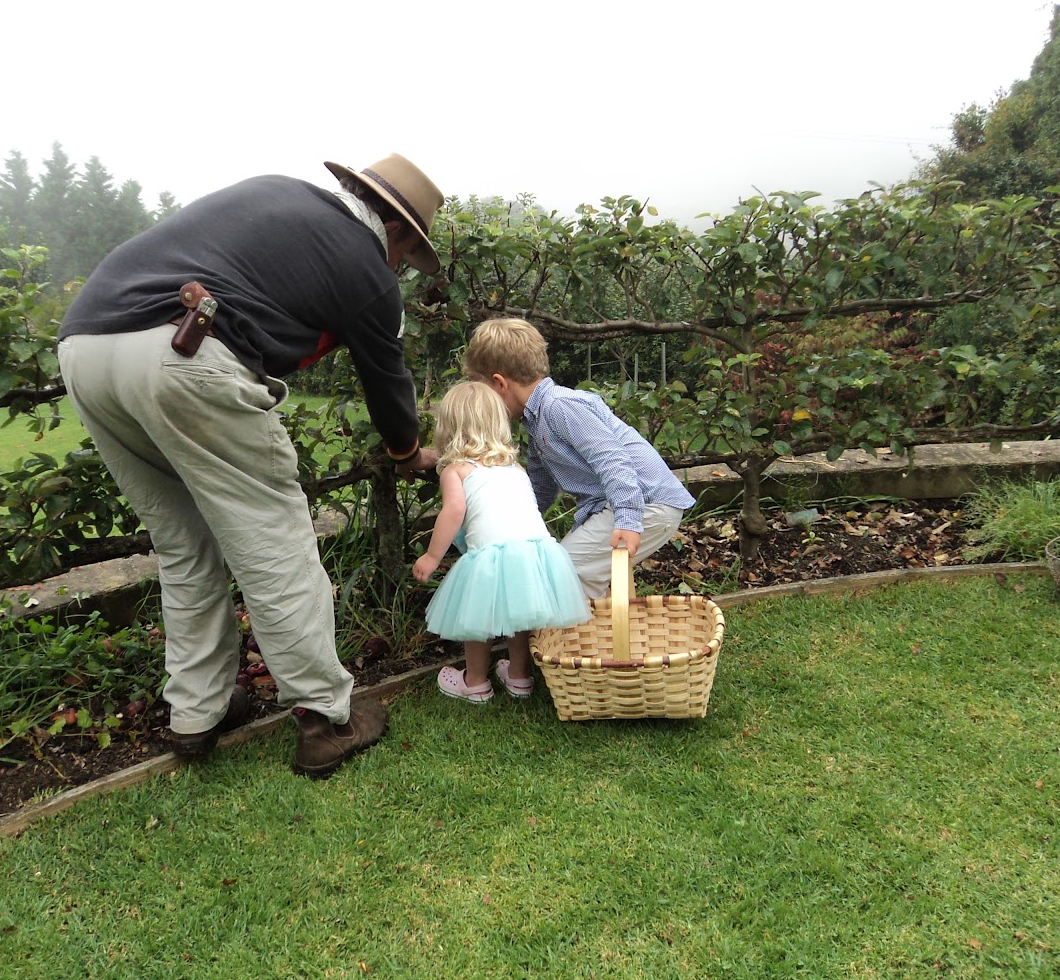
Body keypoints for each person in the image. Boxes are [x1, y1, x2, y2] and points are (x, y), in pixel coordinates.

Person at [56, 154, 443, 779]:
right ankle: (327, 720)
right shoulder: (368, 267)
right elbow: (387, 378)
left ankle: (196, 714)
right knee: (276, 541)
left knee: (184, 545)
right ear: (396, 229)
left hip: (84, 350)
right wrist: (407, 452)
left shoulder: (280, 194)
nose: (399, 267)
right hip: (184, 347)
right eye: (407, 253)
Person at [462, 318, 694, 599]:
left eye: (478, 387)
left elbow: (612, 459)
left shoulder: (560, 406)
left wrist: (628, 520)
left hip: (646, 504)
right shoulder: (535, 422)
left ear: (499, 384)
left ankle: (578, 638)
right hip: (622, 506)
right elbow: (541, 490)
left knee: (561, 571)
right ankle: (595, 633)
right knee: (564, 566)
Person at [412, 382, 588, 702]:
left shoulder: (456, 470)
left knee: (475, 618)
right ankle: (520, 676)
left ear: (449, 428)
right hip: (535, 552)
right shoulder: (514, 467)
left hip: (491, 555)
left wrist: (431, 556)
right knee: (521, 614)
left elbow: (453, 511)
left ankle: (475, 681)